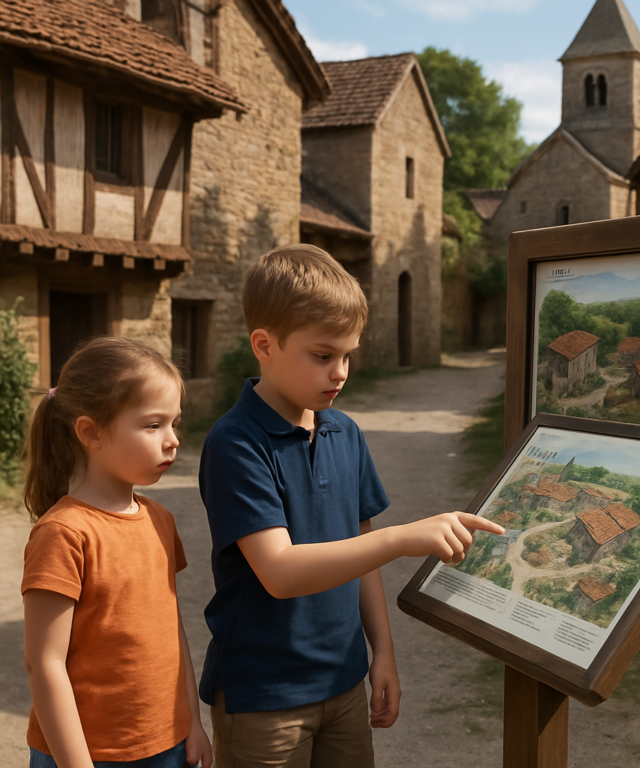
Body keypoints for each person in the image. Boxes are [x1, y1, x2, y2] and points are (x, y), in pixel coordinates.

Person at [199, 244, 504, 768]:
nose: (340, 371)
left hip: (343, 681)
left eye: (347, 355)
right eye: (322, 355)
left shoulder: (346, 432)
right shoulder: (236, 443)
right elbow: (279, 572)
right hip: (265, 697)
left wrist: (380, 652)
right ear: (264, 345)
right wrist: (402, 537)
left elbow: (362, 558)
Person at [21, 337, 212, 768]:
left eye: (175, 423)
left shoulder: (160, 519)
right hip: (85, 755)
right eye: (152, 425)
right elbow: (44, 664)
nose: (173, 440)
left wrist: (193, 724)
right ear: (90, 431)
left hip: (167, 746)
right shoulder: (64, 533)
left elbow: (171, 633)